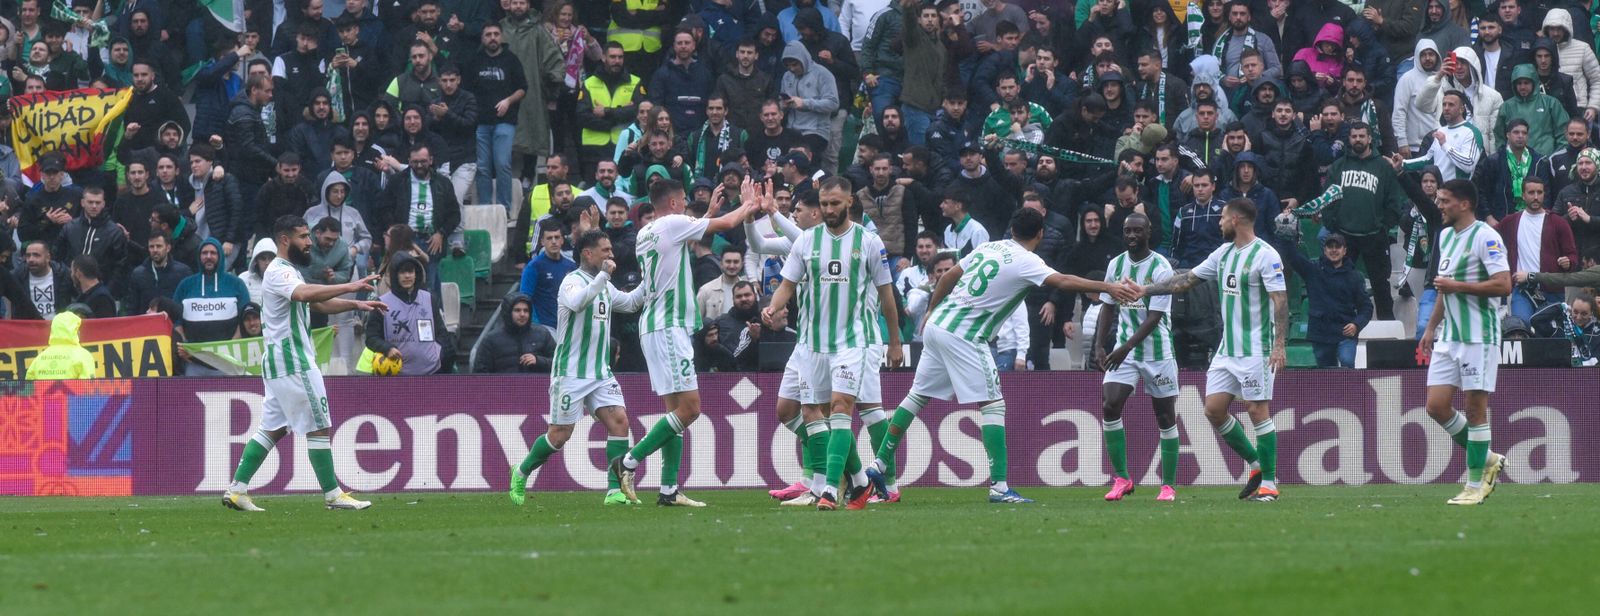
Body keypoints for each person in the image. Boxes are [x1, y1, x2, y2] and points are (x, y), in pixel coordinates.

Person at [862, 207, 1136, 504]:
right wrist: (1108, 286)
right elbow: (1063, 281)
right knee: (993, 404)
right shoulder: (1026, 260)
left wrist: (931, 310)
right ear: (1040, 234)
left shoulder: (989, 246)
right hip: (964, 334)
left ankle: (879, 464)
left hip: (938, 325)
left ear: (1011, 229)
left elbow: (949, 274)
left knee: (916, 396)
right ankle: (999, 487)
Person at [223, 214, 388, 513]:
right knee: (319, 426)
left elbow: (316, 302)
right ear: (285, 240)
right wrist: (351, 286)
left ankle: (237, 490)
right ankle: (333, 494)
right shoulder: (279, 271)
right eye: (303, 236)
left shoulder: (288, 271)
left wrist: (356, 303)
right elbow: (304, 293)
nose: (309, 242)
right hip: (293, 360)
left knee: (272, 428)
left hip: (278, 361)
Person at [759, 176, 902, 511]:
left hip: (852, 342)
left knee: (841, 408)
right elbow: (787, 285)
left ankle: (826, 491)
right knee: (810, 412)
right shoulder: (806, 242)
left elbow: (886, 295)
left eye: (835, 204)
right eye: (824, 204)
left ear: (849, 201)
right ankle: (860, 483)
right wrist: (772, 306)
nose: (829, 210)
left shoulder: (868, 242)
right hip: (812, 344)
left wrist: (894, 341)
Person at [610, 179, 755, 507]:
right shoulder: (673, 224)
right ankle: (629, 461)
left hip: (654, 326)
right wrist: (750, 203)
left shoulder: (647, 233)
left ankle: (669, 490)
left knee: (674, 411)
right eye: (684, 201)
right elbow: (731, 223)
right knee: (690, 409)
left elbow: (684, 241)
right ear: (675, 203)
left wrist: (707, 214)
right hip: (668, 327)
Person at [1139, 198, 1290, 503]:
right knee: (1213, 410)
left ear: (1236, 220)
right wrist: (1146, 289)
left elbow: (1281, 301)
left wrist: (1279, 344)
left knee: (1257, 410)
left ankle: (1271, 484)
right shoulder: (1223, 253)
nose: (1218, 222)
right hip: (1227, 350)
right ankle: (1257, 465)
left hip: (1256, 349)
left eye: (1222, 218)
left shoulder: (1266, 255)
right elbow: (1186, 281)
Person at [510, 229, 648, 506]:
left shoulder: (605, 286)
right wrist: (604, 276)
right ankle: (522, 471)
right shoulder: (570, 282)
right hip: (570, 372)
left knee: (619, 421)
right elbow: (577, 302)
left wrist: (652, 280)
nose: (611, 254)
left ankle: (613, 491)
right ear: (588, 253)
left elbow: (632, 302)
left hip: (599, 371)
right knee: (560, 436)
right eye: (605, 250)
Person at [1417, 179, 1512, 506]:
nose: (1439, 205)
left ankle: (1474, 486)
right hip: (1449, 336)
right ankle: (1487, 459)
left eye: (1445, 201)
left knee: (1475, 410)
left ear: (1465, 204)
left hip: (1479, 336)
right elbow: (1445, 288)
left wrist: (1458, 286)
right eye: (1439, 200)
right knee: (1436, 407)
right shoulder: (1445, 236)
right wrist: (1431, 327)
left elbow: (1504, 285)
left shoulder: (1487, 237)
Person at [1093, 213, 1181, 502]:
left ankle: (1167, 485)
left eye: (1137, 231)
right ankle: (1122, 479)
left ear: (1148, 232)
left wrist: (1125, 346)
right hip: (1124, 351)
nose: (1132, 235)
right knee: (1110, 404)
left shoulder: (1160, 267)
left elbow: (1155, 317)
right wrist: (1099, 345)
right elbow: (1107, 306)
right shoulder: (1115, 264)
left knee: (1165, 416)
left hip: (1157, 353)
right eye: (1127, 231)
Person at [465, 22, 528, 210]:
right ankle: (484, 208)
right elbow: (467, 90)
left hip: (505, 122)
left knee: (502, 164)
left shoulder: (511, 60)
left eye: (496, 34)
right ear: (482, 38)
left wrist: (508, 101)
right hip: (480, 123)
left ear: (501, 37)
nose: (492, 37)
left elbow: (523, 88)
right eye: (488, 34)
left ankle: (504, 209)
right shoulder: (474, 61)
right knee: (483, 167)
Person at [1498, 176, 1578, 321]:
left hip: (1552, 290)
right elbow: (1489, 238)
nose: (1536, 197)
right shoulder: (1510, 221)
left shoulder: (1558, 222)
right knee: (1521, 327)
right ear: (1523, 195)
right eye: (1531, 192)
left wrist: (1568, 262)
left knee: (1553, 338)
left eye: (1539, 192)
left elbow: (1572, 255)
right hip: (1522, 289)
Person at [173, 238, 253, 376]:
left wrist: (231, 348)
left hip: (228, 364)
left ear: (220, 256)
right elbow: (176, 320)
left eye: (213, 253)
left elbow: (245, 320)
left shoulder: (236, 284)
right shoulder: (185, 285)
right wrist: (184, 346)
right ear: (199, 257)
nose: (208, 257)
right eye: (204, 253)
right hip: (194, 364)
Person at [365, 252, 452, 375]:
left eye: (410, 272)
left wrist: (440, 354)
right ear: (395, 275)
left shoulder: (429, 299)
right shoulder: (382, 303)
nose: (407, 276)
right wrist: (387, 348)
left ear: (416, 274)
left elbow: (441, 332)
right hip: (398, 374)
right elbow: (371, 338)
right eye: (402, 272)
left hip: (433, 371)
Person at [473, 292, 556, 374]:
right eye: (517, 310)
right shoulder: (491, 339)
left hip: (538, 386)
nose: (522, 314)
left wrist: (539, 361)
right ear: (508, 312)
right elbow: (480, 373)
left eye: (526, 310)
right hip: (502, 387)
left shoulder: (543, 334)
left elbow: (560, 363)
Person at [518, 220, 578, 327]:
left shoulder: (571, 266)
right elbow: (525, 298)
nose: (554, 241)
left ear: (562, 240)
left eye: (557, 237)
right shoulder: (534, 267)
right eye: (549, 238)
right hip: (545, 327)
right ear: (542, 242)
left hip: (569, 326)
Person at [127, 233, 192, 316]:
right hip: (146, 325)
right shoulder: (138, 274)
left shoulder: (183, 272)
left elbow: (188, 305)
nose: (155, 250)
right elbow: (132, 307)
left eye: (159, 246)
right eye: (151, 247)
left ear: (168, 248)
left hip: (173, 325)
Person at [25, 310, 96, 379]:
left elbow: (28, 387)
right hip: (71, 391)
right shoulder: (84, 356)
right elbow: (88, 387)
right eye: (77, 329)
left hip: (44, 391)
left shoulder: (39, 358)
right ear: (75, 331)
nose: (79, 332)